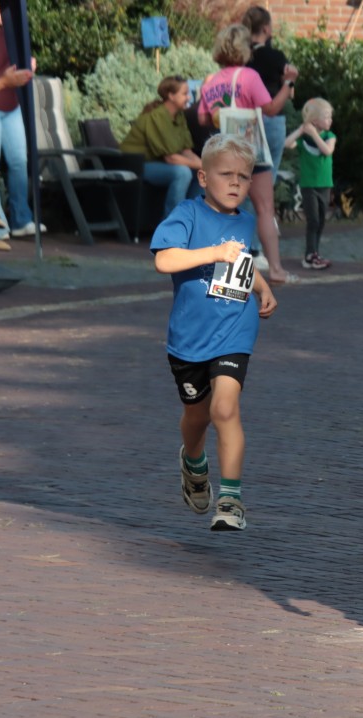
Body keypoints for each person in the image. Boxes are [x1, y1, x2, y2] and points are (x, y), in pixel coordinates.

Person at [152, 133, 278, 532]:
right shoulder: (187, 214)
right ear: (204, 178)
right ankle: (193, 461)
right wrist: (213, 253)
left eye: (244, 176)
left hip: (234, 329)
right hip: (189, 338)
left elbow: (240, 264)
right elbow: (164, 260)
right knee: (197, 417)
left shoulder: (245, 220)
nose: (236, 183)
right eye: (227, 175)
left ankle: (231, 499)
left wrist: (262, 287)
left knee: (225, 409)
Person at [198, 23, 297, 285]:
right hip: (251, 152)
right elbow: (271, 108)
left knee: (226, 210)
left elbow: (203, 119)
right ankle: (276, 270)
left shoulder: (212, 81)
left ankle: (226, 275)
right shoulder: (250, 77)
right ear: (245, 50)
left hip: (222, 153)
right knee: (264, 208)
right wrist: (288, 84)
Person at [0, 0, 37, 237]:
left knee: (18, 162)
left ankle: (21, 219)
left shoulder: (9, 34)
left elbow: (15, 63)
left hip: (12, 106)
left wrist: (27, 65)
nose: (4, 12)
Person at [119, 75, 203, 217]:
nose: (189, 97)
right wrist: (201, 165)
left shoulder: (179, 115)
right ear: (171, 96)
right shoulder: (157, 117)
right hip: (135, 164)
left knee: (202, 174)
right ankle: (173, 224)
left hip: (157, 163)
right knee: (182, 173)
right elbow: (171, 158)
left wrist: (205, 166)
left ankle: (192, 219)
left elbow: (186, 151)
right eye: (184, 93)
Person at [242, 6, 298, 186]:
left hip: (243, 119)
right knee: (266, 180)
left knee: (243, 176)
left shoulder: (240, 56)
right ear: (266, 29)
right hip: (271, 118)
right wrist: (290, 82)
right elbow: (290, 93)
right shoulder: (276, 57)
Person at [284, 97, 335, 270]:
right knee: (313, 220)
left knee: (320, 221)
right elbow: (287, 143)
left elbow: (327, 150)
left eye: (330, 117)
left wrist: (314, 134)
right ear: (315, 120)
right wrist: (301, 130)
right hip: (308, 186)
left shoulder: (330, 136)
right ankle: (309, 255)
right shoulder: (303, 140)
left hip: (325, 185)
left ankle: (315, 252)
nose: (330, 120)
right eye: (326, 117)